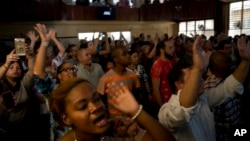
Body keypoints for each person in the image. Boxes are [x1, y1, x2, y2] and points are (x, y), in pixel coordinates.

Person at [158, 36, 250, 141]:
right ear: (179, 84)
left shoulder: (203, 99)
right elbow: (181, 112)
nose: (200, 80)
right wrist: (198, 69)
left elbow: (229, 87)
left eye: (199, 76)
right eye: (193, 76)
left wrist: (246, 60)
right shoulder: (166, 112)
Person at [48, 77, 175, 141]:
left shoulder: (119, 130)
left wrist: (136, 111)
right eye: (83, 106)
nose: (95, 107)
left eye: (97, 99)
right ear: (66, 119)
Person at [0, 37, 44, 140]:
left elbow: (31, 73)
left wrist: (31, 57)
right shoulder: (1, 84)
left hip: (24, 127)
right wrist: (6, 64)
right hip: (3, 128)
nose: (15, 69)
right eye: (11, 68)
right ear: (5, 71)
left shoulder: (24, 83)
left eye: (18, 67)